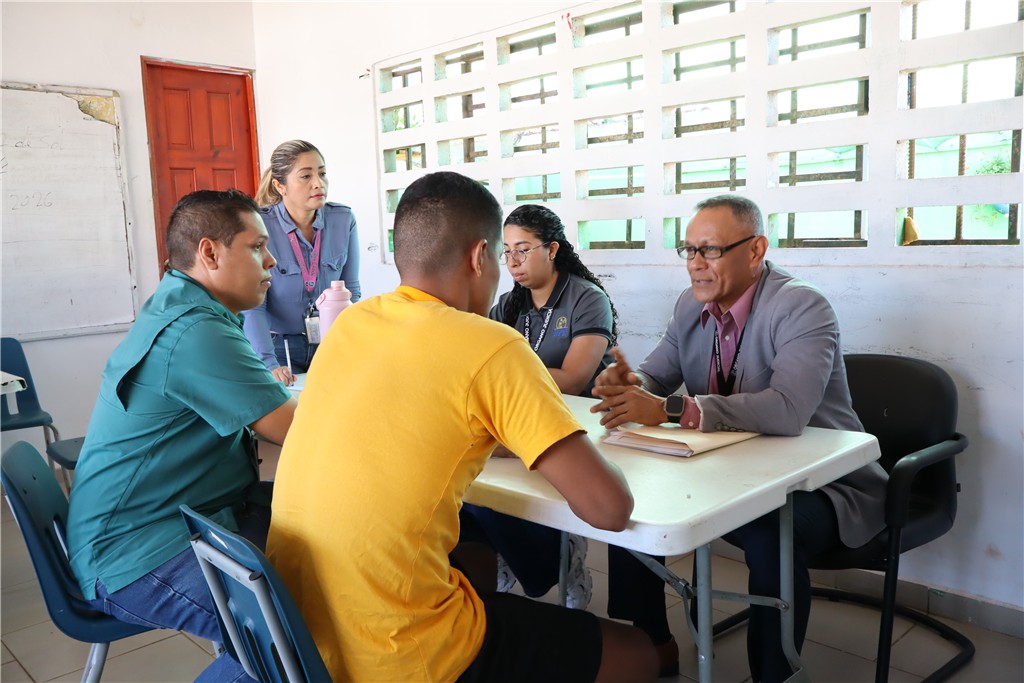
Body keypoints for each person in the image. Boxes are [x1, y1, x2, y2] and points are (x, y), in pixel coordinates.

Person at [267, 172, 658, 683]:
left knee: (473, 551)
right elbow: (609, 509)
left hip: (298, 634)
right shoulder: (492, 344)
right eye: (502, 254)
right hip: (397, 653)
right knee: (639, 653)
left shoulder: (352, 325)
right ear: (479, 257)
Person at [591, 194, 889, 683]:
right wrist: (631, 384)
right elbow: (657, 375)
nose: (695, 264)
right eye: (689, 250)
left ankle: (774, 673)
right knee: (629, 496)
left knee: (771, 532)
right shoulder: (690, 305)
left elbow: (788, 409)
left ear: (755, 250)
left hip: (822, 483)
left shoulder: (801, 306)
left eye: (709, 250)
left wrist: (671, 409)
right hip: (732, 473)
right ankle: (651, 642)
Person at [66, 189, 297, 683]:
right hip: (135, 552)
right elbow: (296, 431)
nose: (272, 261)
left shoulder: (185, 306)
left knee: (322, 562)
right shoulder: (195, 331)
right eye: (257, 247)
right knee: (292, 637)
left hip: (175, 519)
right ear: (209, 253)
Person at [462, 204, 619, 610]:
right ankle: (509, 555)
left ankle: (568, 557)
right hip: (521, 417)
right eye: (507, 252)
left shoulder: (587, 298)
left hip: (578, 423)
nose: (513, 262)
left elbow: (575, 377)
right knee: (481, 488)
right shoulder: (508, 306)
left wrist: (508, 377)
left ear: (552, 249)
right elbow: (480, 365)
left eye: (523, 250)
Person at [243, 139, 361, 385]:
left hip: (331, 343)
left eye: (322, 173)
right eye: (306, 176)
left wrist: (349, 346)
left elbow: (352, 291)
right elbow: (253, 306)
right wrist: (268, 363)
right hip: (278, 348)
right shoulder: (259, 225)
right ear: (280, 186)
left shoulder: (343, 219)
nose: (318, 183)